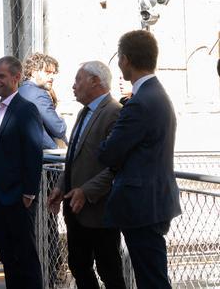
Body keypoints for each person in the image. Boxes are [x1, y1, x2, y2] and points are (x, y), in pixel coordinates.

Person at [98, 30, 181, 289]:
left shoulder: (140, 102)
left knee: (151, 280)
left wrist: (107, 143)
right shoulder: (155, 94)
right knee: (152, 276)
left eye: (119, 58)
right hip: (152, 201)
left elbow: (108, 153)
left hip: (142, 204)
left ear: (125, 60)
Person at [47, 61, 124, 289]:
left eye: (78, 80)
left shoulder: (114, 112)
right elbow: (74, 157)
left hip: (100, 210)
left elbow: (115, 166)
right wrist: (61, 186)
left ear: (95, 81)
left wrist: (87, 191)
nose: (74, 86)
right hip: (75, 209)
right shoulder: (84, 112)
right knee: (79, 266)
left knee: (109, 271)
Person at [0, 56, 45, 289]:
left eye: (1, 76)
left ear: (16, 78)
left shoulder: (26, 110)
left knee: (25, 256)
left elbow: (33, 151)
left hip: (18, 196)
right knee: (7, 256)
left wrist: (29, 192)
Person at [19, 52, 67, 149]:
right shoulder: (38, 94)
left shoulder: (18, 91)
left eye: (53, 73)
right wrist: (62, 119)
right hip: (43, 154)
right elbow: (59, 129)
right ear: (33, 72)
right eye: (47, 72)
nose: (52, 77)